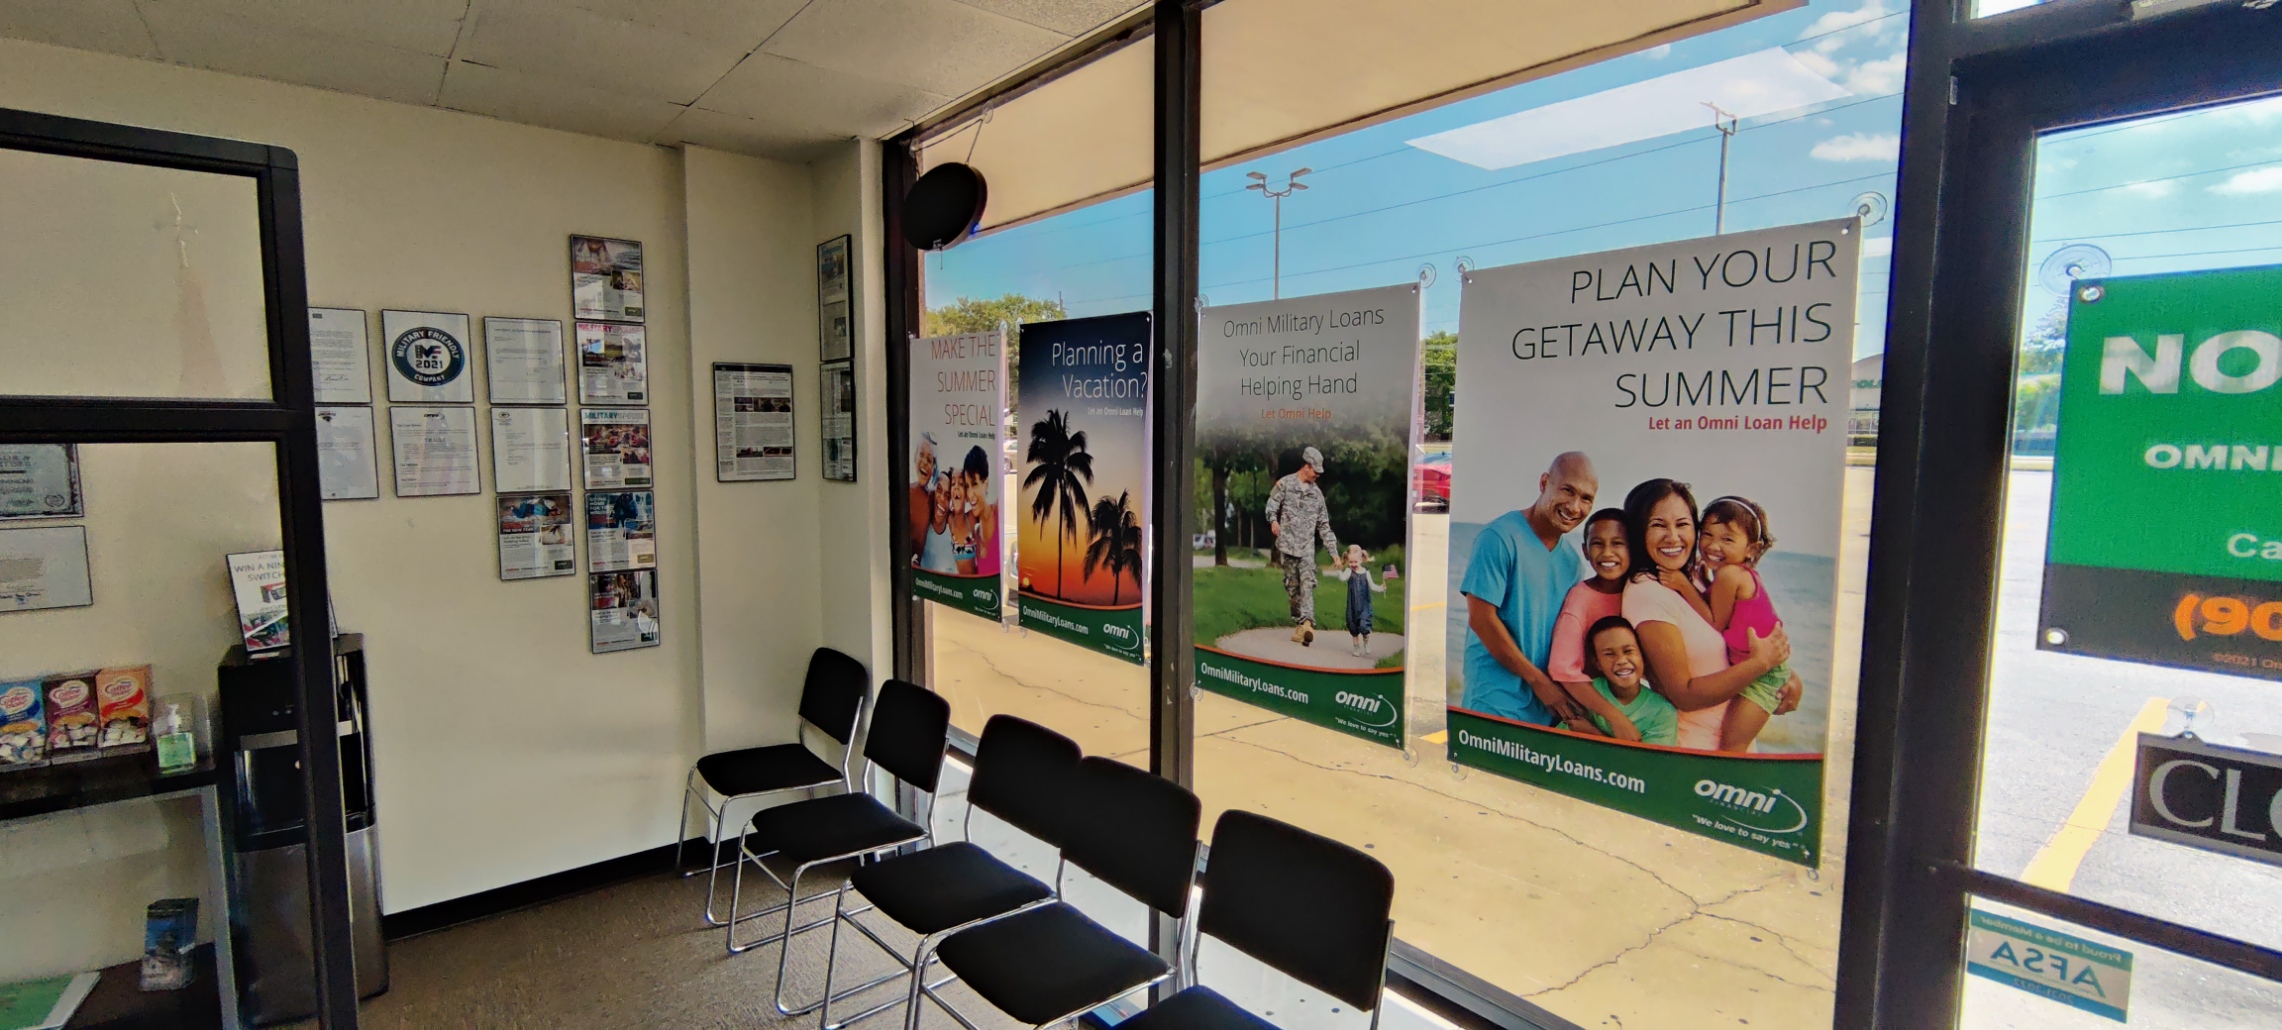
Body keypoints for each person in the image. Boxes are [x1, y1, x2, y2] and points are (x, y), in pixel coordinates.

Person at [1619, 479, 1798, 750]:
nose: (1673, 537)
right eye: (1658, 525)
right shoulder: (1647, 593)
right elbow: (1684, 695)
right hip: (1696, 750)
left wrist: (1784, 674)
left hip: (1730, 749)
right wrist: (1761, 664)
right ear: (1637, 531)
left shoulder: (1692, 577)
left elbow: (1736, 633)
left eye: (1682, 524)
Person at [1459, 451, 1597, 725]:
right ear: (1544, 483)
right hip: (1494, 700)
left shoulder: (1572, 563)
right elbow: (1481, 620)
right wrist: (1539, 682)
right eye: (1567, 490)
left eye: (1586, 498)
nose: (1574, 506)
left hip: (1546, 708)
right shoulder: (1499, 537)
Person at [1662, 496, 1793, 753]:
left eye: (1728, 539)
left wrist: (1683, 585)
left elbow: (1715, 622)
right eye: (1707, 535)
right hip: (1754, 666)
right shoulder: (1736, 573)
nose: (1713, 545)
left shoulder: (1729, 575)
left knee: (1734, 744)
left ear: (1752, 549)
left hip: (1763, 674)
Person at [1548, 509, 1631, 720]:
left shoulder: (1638, 591)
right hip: (1592, 709)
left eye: (1617, 543)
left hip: (1630, 700)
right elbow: (1562, 668)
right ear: (1585, 551)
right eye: (1597, 544)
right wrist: (1614, 717)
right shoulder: (1581, 597)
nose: (1607, 553)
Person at [1265, 446, 1339, 646]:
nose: (1317, 475)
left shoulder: (1317, 495)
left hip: (1307, 548)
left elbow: (1324, 525)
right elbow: (1271, 504)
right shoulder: (1285, 484)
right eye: (1315, 470)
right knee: (1292, 588)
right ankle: (1300, 623)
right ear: (1306, 466)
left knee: (1307, 584)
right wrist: (1273, 520)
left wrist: (1333, 552)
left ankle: (1307, 624)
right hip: (1288, 547)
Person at [1574, 616, 1680, 746]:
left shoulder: (1662, 712)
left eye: (1628, 651)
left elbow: (1650, 759)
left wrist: (1594, 733)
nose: (1621, 660)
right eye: (1609, 654)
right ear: (1597, 663)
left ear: (1642, 654)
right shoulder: (1588, 693)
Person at [1328, 544, 1386, 657]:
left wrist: (1381, 588)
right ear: (1347, 560)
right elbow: (1342, 578)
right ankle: (1356, 646)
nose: (1353, 564)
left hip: (1364, 605)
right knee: (1353, 626)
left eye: (1355, 562)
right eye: (1351, 562)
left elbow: (1372, 586)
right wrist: (1339, 570)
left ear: (1361, 559)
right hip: (1352, 606)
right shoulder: (1349, 571)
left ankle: (1366, 642)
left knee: (1364, 625)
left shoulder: (1366, 573)